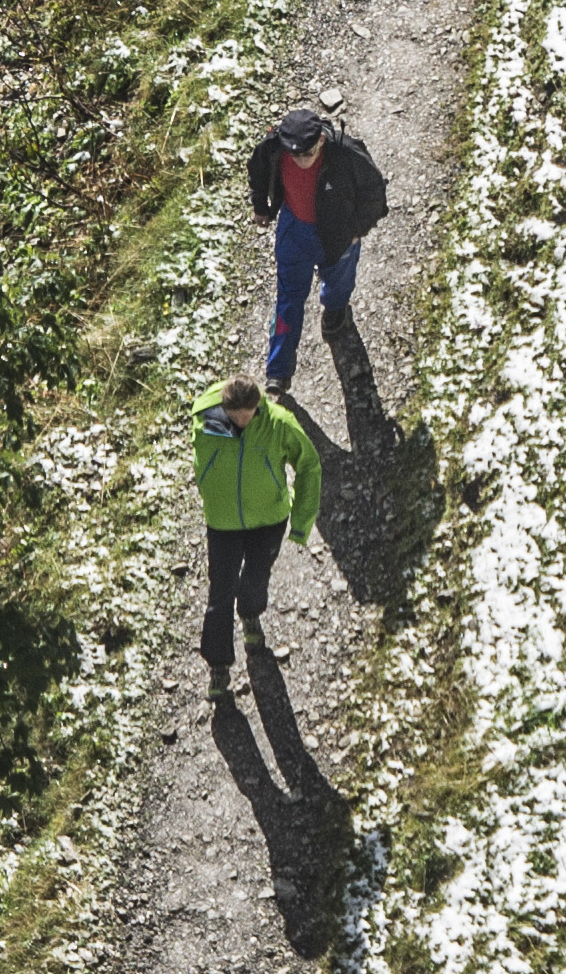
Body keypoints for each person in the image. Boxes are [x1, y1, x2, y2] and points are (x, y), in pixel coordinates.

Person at [192, 375, 322, 702]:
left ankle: (250, 615)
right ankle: (218, 668)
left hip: (268, 520)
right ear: (224, 407)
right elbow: (202, 461)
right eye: (234, 417)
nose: (241, 422)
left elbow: (309, 466)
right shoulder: (210, 422)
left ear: (258, 407)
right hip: (223, 523)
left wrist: (302, 522)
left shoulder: (278, 424)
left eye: (248, 415)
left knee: (255, 577)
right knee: (220, 592)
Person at [246, 109, 388, 395]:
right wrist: (261, 206)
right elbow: (258, 171)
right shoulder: (274, 147)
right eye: (294, 155)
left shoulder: (346, 153)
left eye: (307, 154)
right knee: (288, 298)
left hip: (338, 234)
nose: (300, 161)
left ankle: (335, 313)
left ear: (321, 140)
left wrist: (357, 229)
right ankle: (278, 372)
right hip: (294, 232)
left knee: (339, 284)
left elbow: (375, 191)